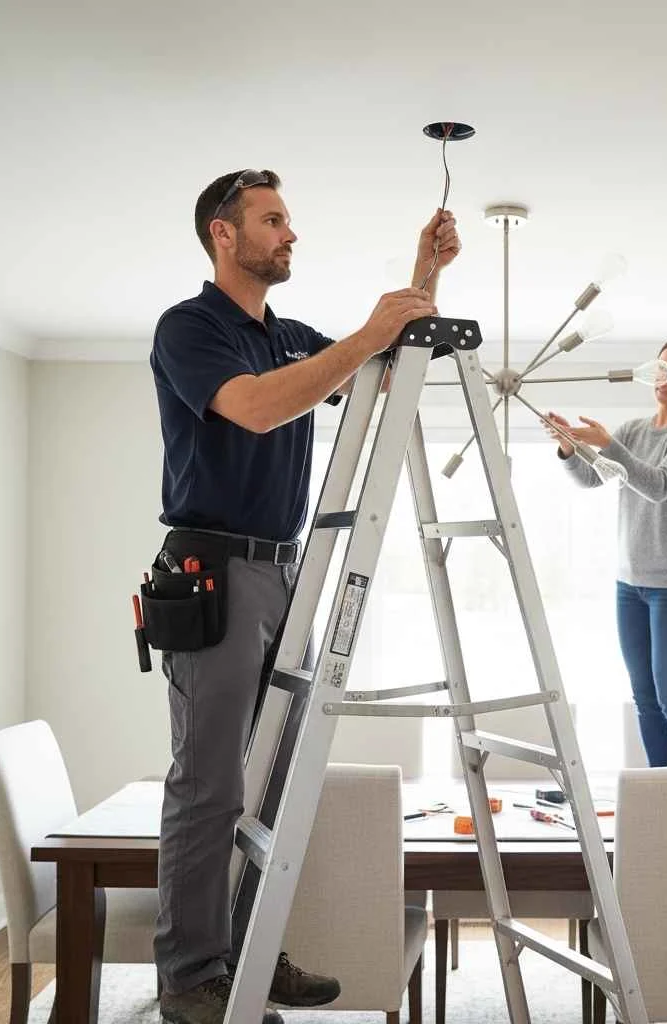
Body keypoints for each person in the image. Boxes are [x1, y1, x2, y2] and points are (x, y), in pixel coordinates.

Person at [149, 168, 460, 1024]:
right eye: (273, 220)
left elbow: (388, 368)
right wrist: (363, 337)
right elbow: (251, 410)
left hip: (290, 570)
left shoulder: (292, 336)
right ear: (224, 234)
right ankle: (190, 978)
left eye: (289, 221)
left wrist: (423, 272)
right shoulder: (190, 328)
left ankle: (247, 954)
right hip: (213, 570)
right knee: (211, 784)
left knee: (273, 783)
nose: (290, 235)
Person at [545, 336, 667, 768]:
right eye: (662, 370)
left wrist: (607, 443)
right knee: (645, 697)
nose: (666, 381)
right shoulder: (634, 430)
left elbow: (658, 485)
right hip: (630, 584)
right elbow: (591, 478)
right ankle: (659, 791)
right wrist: (568, 447)